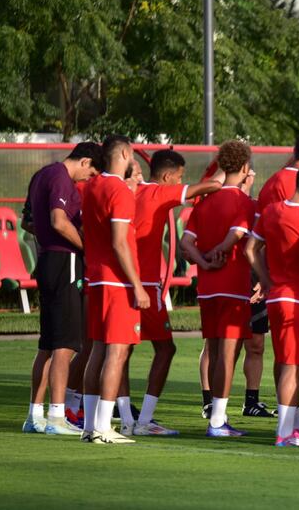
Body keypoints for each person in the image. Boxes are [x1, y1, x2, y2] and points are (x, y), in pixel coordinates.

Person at [127, 149, 220, 435]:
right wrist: (226, 161)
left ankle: (122, 418)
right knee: (165, 349)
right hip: (147, 283)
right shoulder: (157, 192)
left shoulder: (133, 190)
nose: (181, 182)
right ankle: (142, 420)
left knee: (119, 350)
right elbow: (213, 185)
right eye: (179, 177)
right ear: (167, 176)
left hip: (125, 280)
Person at [21, 142, 101, 435]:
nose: (88, 180)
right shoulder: (60, 177)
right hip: (64, 260)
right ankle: (56, 416)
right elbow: (58, 220)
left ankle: (35, 415)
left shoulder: (41, 174)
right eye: (91, 173)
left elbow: (27, 221)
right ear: (85, 161)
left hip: (47, 259)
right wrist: (86, 249)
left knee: (47, 344)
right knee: (65, 344)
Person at [249, 163, 299, 447]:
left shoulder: (271, 211)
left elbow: (251, 248)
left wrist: (266, 279)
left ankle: (295, 425)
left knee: (288, 362)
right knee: (294, 366)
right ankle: (285, 432)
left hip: (279, 296)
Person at [180, 140, 257, 437]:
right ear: (245, 168)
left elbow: (187, 244)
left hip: (208, 288)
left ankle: (215, 415)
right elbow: (237, 232)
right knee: (227, 354)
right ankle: (217, 421)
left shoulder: (205, 202)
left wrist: (204, 260)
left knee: (213, 351)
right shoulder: (244, 202)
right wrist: (218, 252)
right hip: (233, 287)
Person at [80, 135, 151, 444]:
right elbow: (120, 242)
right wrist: (138, 286)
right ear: (124, 153)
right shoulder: (118, 190)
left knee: (97, 349)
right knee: (117, 352)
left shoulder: (91, 186)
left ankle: (90, 427)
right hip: (117, 282)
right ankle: (105, 427)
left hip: (95, 277)